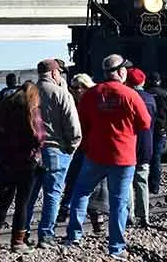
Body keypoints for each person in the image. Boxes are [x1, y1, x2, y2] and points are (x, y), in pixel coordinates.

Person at [66, 54, 151, 260]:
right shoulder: (131, 95)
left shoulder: (91, 94)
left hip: (95, 154)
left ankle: (74, 236)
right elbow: (145, 123)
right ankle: (116, 247)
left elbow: (82, 123)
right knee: (118, 203)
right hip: (123, 157)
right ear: (121, 72)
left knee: (81, 192)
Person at [0, 83, 46, 253]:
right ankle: (17, 242)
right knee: (22, 203)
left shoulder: (2, 110)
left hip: (6, 162)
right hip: (27, 163)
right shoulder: (31, 111)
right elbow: (39, 136)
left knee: (3, 202)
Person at [25, 58, 82, 248]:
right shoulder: (61, 94)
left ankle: (21, 233)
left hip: (32, 151)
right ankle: (45, 236)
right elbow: (74, 128)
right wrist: (71, 148)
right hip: (55, 150)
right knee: (52, 195)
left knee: (30, 196)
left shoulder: (27, 94)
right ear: (55, 73)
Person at [58, 73, 96, 223]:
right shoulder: (73, 102)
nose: (75, 90)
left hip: (89, 147)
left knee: (89, 183)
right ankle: (66, 209)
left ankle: (93, 215)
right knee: (73, 179)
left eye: (78, 87)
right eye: (73, 87)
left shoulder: (92, 102)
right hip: (78, 147)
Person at [126, 68, 155, 228]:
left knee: (128, 180)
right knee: (142, 181)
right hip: (146, 144)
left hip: (129, 144)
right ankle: (144, 216)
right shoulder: (151, 99)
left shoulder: (126, 97)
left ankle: (129, 215)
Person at [146, 71, 167, 195]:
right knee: (156, 158)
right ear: (159, 81)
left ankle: (146, 184)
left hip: (146, 130)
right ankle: (155, 186)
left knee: (144, 159)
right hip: (160, 130)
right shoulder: (166, 95)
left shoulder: (145, 94)